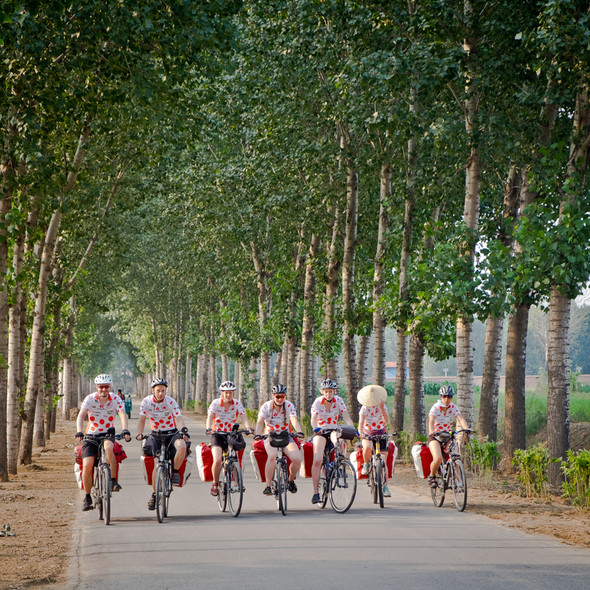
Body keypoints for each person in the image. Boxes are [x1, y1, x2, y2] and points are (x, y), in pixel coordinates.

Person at [75, 374, 131, 511]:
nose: (103, 390)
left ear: (109, 387)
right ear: (97, 387)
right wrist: (79, 431)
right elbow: (81, 415)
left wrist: (125, 429)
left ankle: (112, 480)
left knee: (108, 448)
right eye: (101, 387)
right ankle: (87, 497)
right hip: (91, 436)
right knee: (87, 465)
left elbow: (122, 414)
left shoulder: (115, 399)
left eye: (106, 387)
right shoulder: (90, 399)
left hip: (107, 434)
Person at [136, 377, 190, 510]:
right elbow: (142, 420)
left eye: (163, 391)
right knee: (157, 465)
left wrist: (183, 431)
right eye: (158, 390)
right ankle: (154, 495)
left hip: (171, 433)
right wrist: (139, 434)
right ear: (153, 391)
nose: (160, 393)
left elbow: (178, 418)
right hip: (156, 435)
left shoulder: (171, 401)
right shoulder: (147, 402)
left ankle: (175, 472)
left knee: (182, 446)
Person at [310, 378, 356, 505]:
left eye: (330, 391)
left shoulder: (339, 401)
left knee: (338, 441)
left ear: (334, 392)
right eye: (326, 392)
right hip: (321, 431)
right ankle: (315, 493)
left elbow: (346, 416)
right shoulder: (318, 402)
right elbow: (313, 418)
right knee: (318, 459)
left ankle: (337, 462)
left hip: (333, 429)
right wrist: (316, 428)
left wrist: (353, 429)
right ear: (322, 392)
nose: (328, 394)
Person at [254, 384, 304, 495]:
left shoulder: (289, 406)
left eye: (282, 396)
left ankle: (290, 480)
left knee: (297, 459)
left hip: (285, 435)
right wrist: (258, 434)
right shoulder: (266, 406)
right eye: (277, 396)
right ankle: (268, 485)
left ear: (285, 396)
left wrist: (299, 431)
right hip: (270, 435)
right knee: (272, 456)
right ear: (273, 396)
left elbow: (293, 420)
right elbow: (259, 422)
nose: (280, 399)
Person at [206, 381, 253, 496]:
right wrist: (208, 428)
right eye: (226, 393)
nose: (228, 395)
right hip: (217, 434)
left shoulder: (237, 404)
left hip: (230, 434)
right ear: (221, 393)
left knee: (234, 458)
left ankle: (238, 483)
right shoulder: (216, 403)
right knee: (217, 460)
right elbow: (210, 416)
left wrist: (249, 428)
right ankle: (215, 483)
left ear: (233, 393)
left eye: (230, 393)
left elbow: (243, 417)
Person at [427, 385, 471, 488]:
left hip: (448, 436)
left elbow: (460, 418)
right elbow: (431, 420)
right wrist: (431, 431)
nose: (447, 399)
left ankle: (458, 481)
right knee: (438, 458)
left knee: (455, 456)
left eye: (449, 397)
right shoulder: (436, 407)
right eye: (444, 396)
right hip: (436, 436)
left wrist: (467, 429)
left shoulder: (453, 407)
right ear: (441, 396)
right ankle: (432, 476)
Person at [358, 397, 391, 498]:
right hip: (368, 433)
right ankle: (366, 464)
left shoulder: (382, 406)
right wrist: (361, 433)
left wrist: (381, 407)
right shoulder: (364, 408)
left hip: (381, 433)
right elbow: (360, 423)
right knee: (367, 447)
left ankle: (385, 486)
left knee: (383, 460)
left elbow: (386, 420)